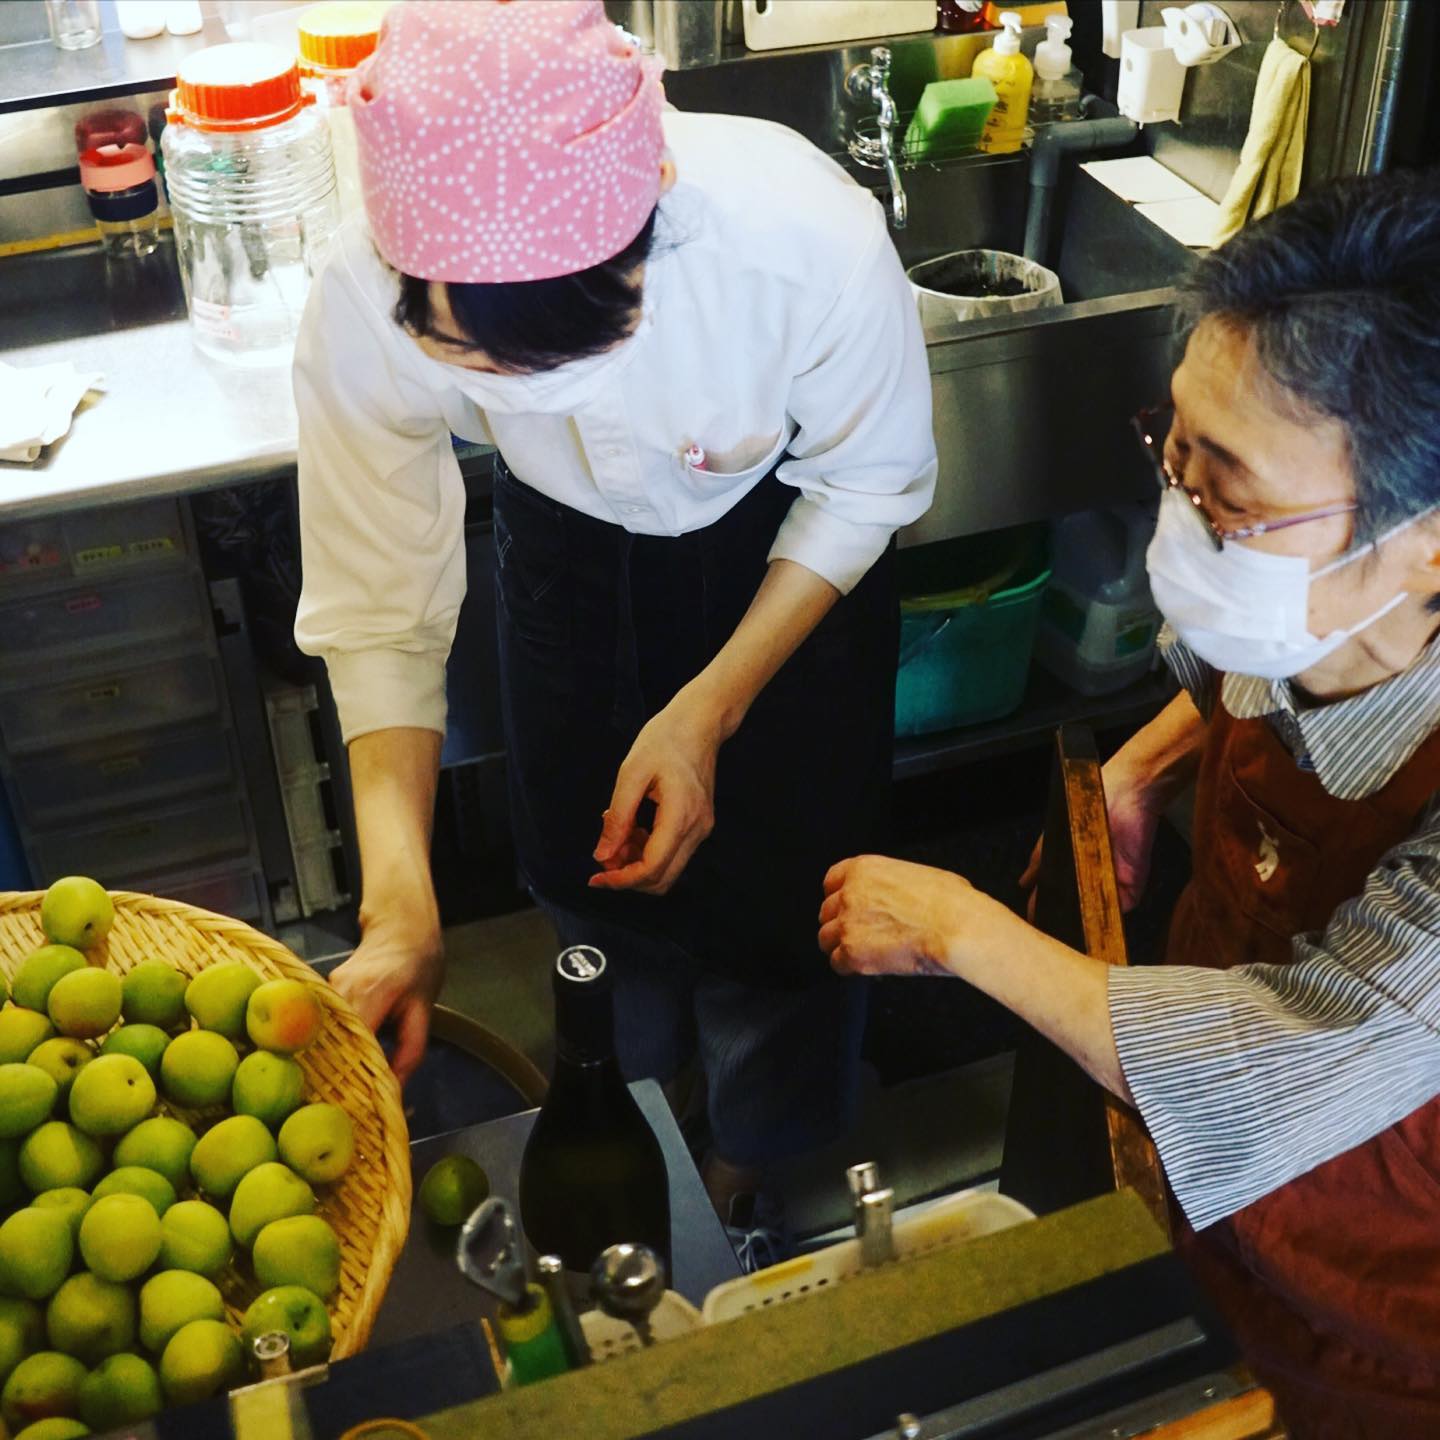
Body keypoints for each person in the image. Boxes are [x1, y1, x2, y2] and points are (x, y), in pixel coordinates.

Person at [292, 0, 936, 1245]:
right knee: (594, 894)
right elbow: (379, 601)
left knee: (790, 923)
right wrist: (398, 902)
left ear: (651, 219)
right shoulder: (361, 295)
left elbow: (867, 484)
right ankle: (629, 1132)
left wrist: (709, 708)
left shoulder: (802, 239)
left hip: (782, 569)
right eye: (482, 365)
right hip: (568, 575)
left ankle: (757, 1177)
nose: (530, 395)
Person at [819, 167, 1440, 1437]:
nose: (1187, 525)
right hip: (1196, 1184)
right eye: (1176, 457)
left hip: (1372, 1304)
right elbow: (1242, 662)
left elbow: (1298, 1055)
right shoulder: (1322, 609)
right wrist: (1147, 761)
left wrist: (956, 931)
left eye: (1236, 497)